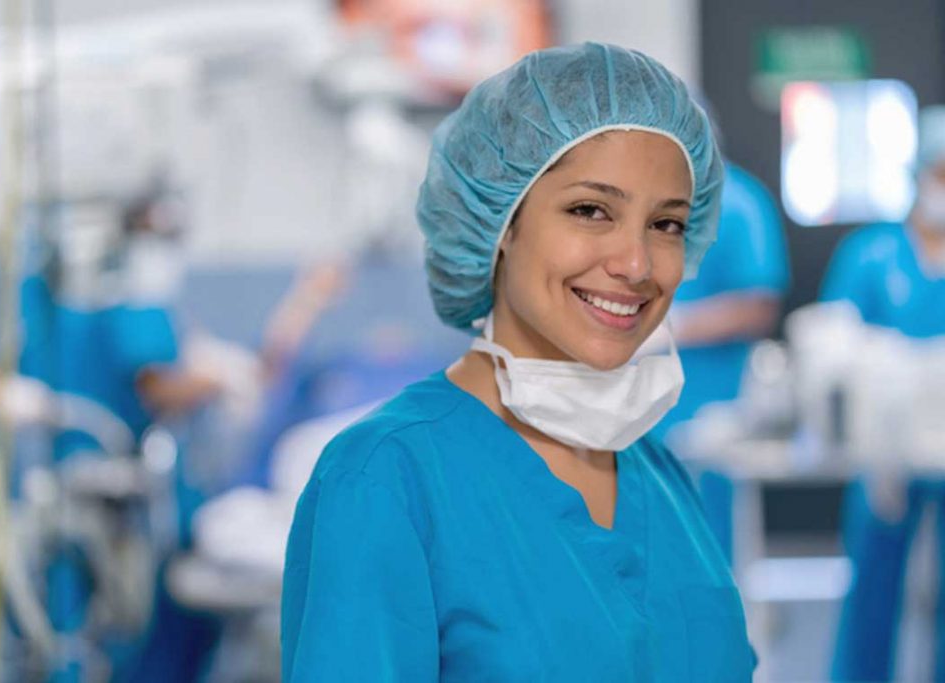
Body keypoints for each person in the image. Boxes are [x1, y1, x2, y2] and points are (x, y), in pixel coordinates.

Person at [280, 43, 754, 681]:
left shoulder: (661, 475)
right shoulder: (386, 479)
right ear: (501, 220)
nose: (637, 264)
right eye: (590, 211)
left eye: (666, 224)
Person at [826, 105, 945, 682]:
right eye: (941, 174)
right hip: (886, 451)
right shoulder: (870, 254)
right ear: (918, 175)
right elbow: (832, 348)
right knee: (874, 579)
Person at [653, 158, 790, 562]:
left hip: (710, 411)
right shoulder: (632, 193)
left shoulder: (738, 203)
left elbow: (760, 304)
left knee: (707, 551)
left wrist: (673, 328)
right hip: (634, 414)